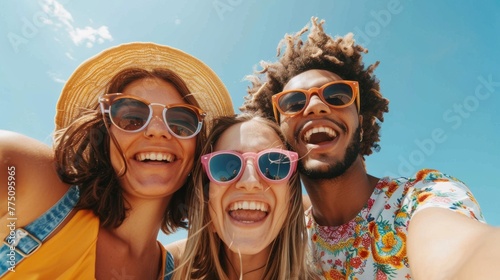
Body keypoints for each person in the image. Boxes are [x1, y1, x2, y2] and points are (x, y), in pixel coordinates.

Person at [241, 17, 500, 279]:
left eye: (337, 95)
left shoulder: (419, 200)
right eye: (293, 102)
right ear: (280, 136)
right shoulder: (286, 240)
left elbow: (465, 254)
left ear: (361, 124)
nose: (316, 106)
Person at [0, 42, 233, 279]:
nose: (157, 130)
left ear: (198, 152)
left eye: (181, 123)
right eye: (132, 118)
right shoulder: (26, 178)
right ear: (104, 137)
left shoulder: (181, 271)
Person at [170, 114, 313, 280]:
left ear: (290, 199)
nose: (250, 181)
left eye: (273, 166)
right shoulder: (165, 270)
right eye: (225, 165)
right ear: (206, 199)